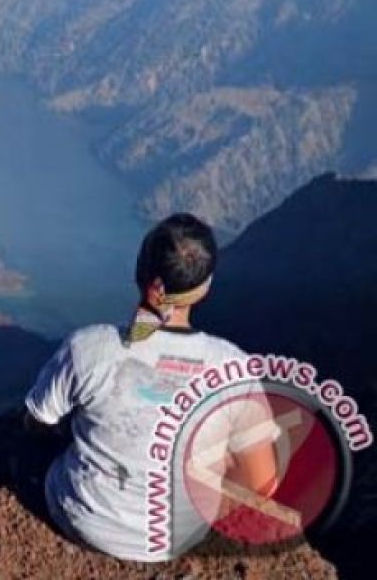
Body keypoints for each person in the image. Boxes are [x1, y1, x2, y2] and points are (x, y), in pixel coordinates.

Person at [24, 213, 280, 561]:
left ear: (139, 272)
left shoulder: (90, 347)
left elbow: (36, 421)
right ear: (205, 287)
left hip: (87, 519)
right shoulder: (233, 368)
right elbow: (261, 484)